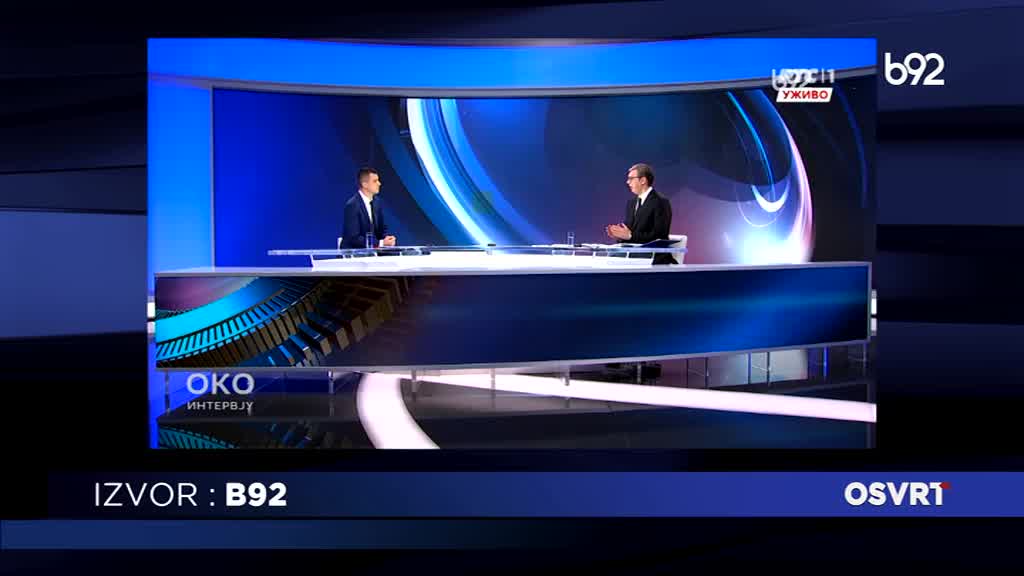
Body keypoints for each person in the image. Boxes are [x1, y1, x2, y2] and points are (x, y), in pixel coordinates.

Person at [605, 163, 674, 264]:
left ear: (643, 180)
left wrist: (630, 236)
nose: (627, 182)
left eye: (631, 178)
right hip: (634, 256)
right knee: (608, 261)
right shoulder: (631, 203)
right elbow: (630, 233)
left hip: (655, 259)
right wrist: (620, 235)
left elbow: (659, 236)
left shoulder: (661, 202)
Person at [342, 167, 397, 249]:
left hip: (373, 251)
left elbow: (381, 229)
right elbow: (353, 238)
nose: (379, 183)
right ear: (364, 184)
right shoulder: (352, 205)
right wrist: (381, 243)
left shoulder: (377, 202)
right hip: (355, 253)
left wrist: (387, 239)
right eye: (375, 181)